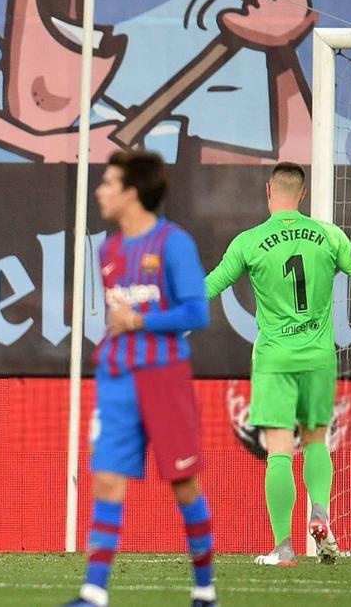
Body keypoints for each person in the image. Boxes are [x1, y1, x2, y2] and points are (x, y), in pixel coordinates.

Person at [204, 162, 351, 565]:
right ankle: (320, 512)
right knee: (316, 439)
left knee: (280, 448)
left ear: (269, 190)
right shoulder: (328, 236)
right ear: (302, 195)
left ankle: (283, 549)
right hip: (318, 357)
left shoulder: (249, 242)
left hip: (274, 359)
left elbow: (210, 286)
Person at [67, 151, 217, 607]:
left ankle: (205, 588)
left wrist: (140, 322)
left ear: (131, 193)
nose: (101, 191)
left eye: (109, 183)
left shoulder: (174, 243)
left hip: (164, 377)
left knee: (183, 484)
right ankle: (94, 592)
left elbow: (197, 311)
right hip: (117, 378)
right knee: (107, 479)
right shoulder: (109, 250)